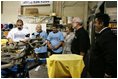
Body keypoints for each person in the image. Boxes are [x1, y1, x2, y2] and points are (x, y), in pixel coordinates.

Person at [89, 13, 117, 78]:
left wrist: (108, 73)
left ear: (101, 24)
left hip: (102, 72)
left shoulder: (107, 36)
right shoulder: (102, 34)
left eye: (95, 23)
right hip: (98, 71)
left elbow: (111, 56)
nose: (94, 25)